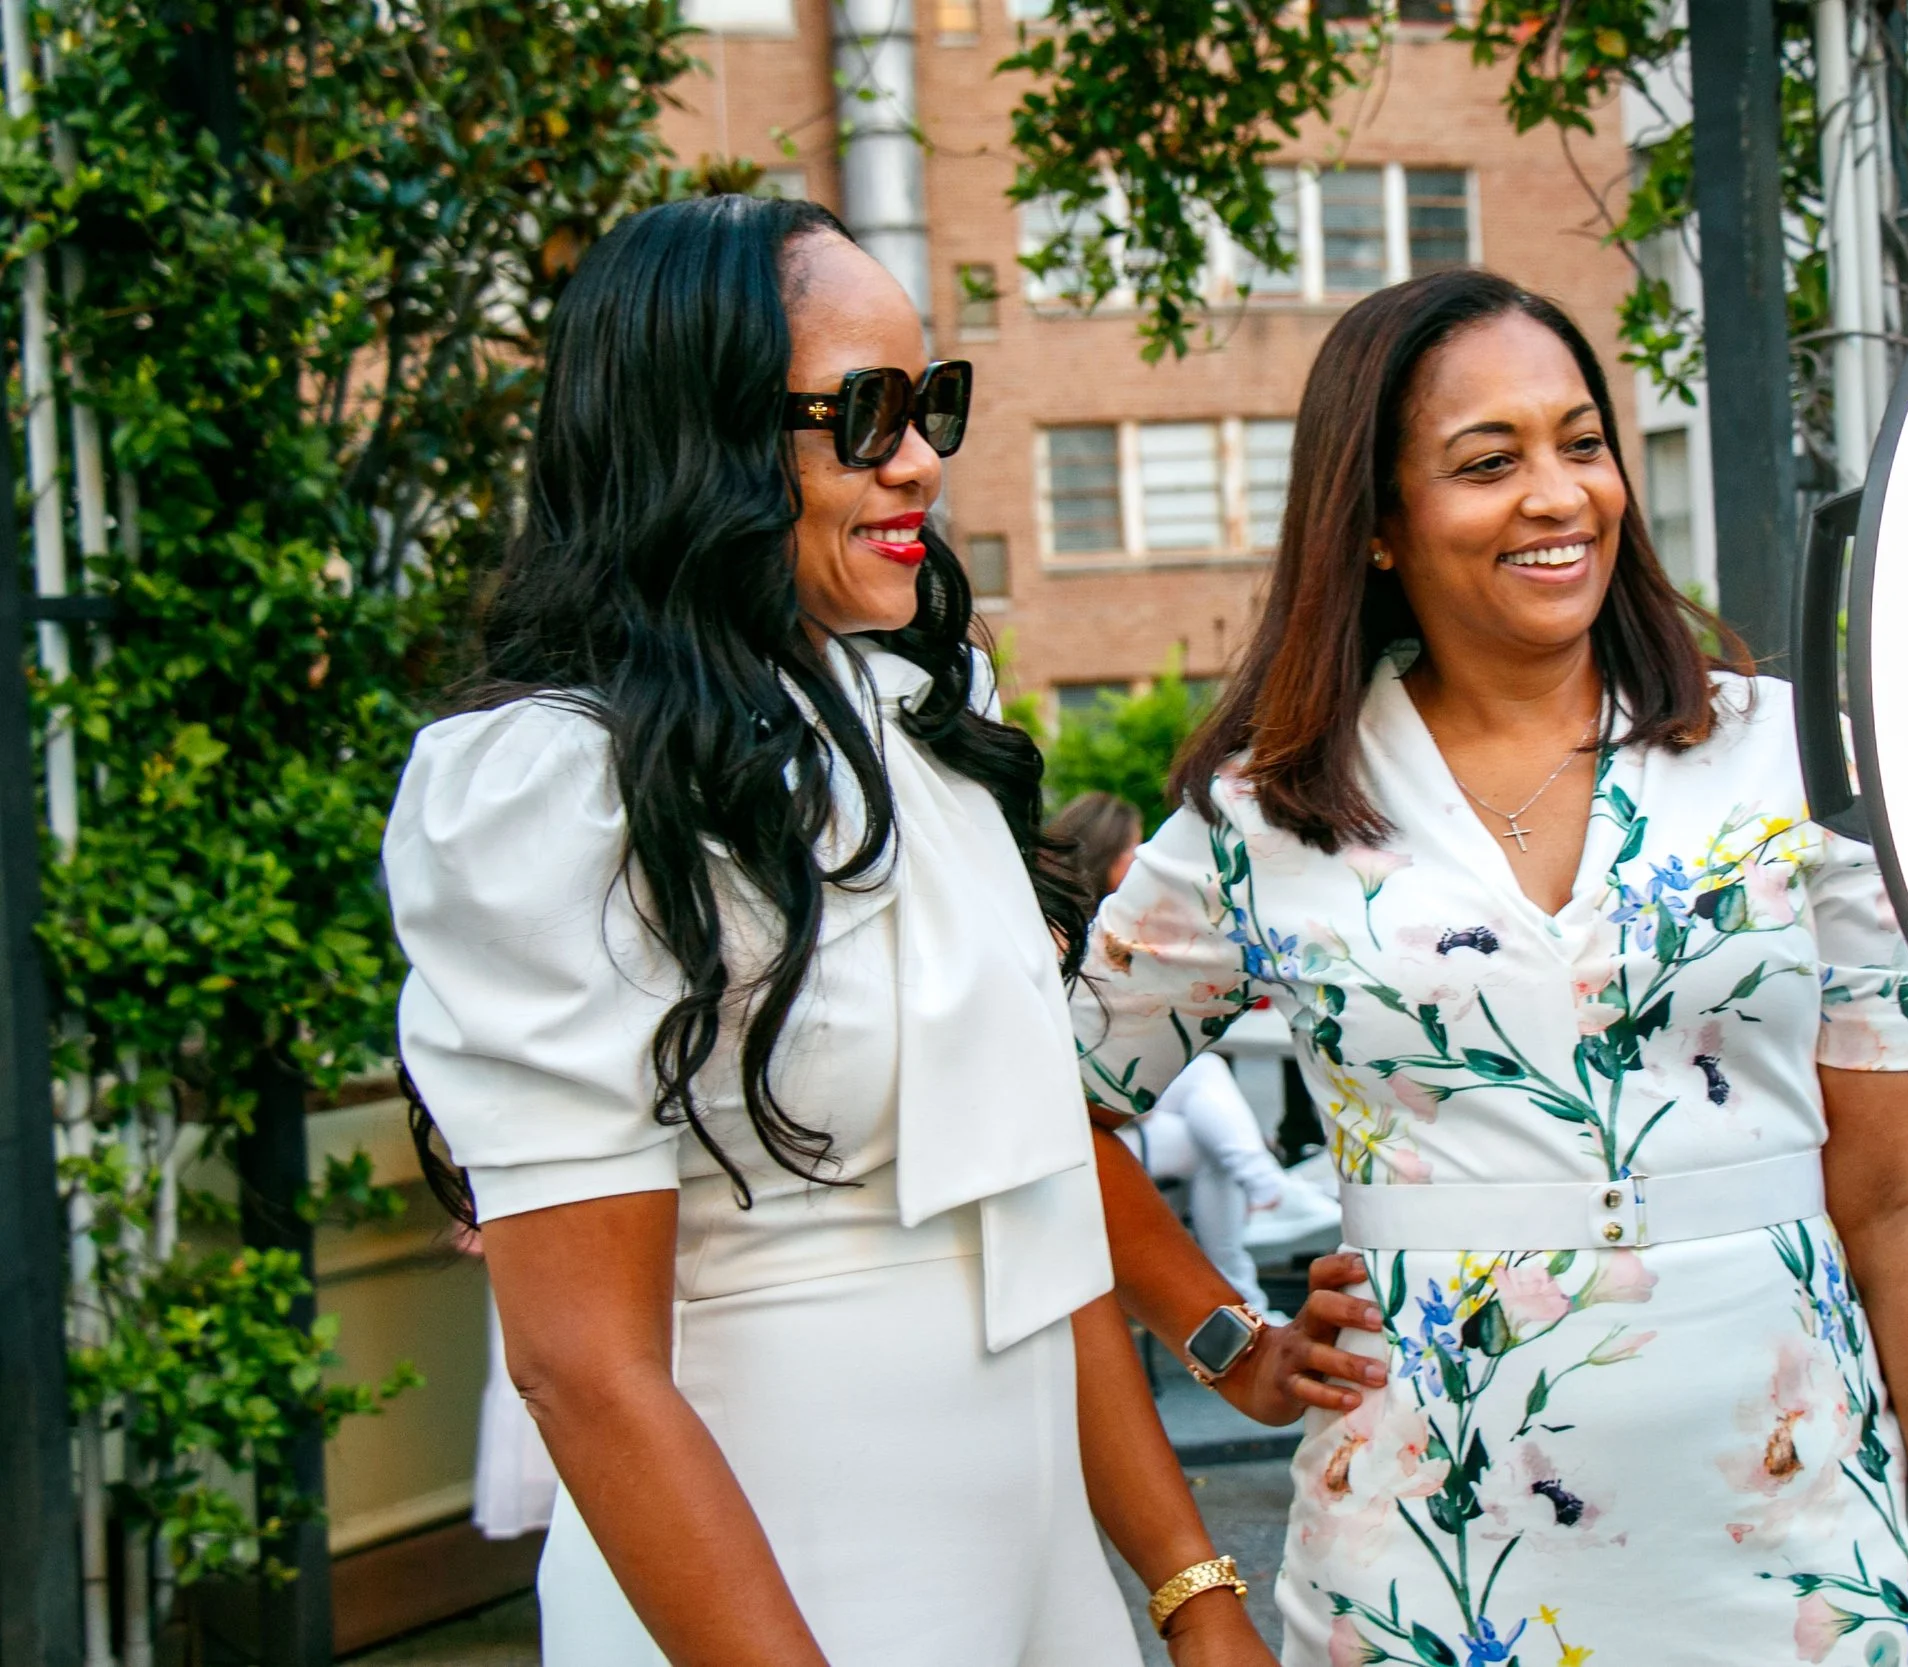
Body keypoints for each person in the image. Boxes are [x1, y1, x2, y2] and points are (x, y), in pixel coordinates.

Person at [1073, 269, 1908, 1666]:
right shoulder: (1269, 810)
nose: (1559, 493)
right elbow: (1059, 1105)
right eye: (1488, 461)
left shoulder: (1797, 758)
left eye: (1581, 443)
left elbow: (1899, 1195)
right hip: (1429, 1565)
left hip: (1802, 1548)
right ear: (1380, 525)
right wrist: (1225, 1334)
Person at [385, 196, 1273, 1667]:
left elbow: (1032, 1211)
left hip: (1033, 1557)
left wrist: (1190, 1589)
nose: (919, 453)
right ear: (705, 434)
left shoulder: (926, 719)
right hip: (765, 1572)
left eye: (932, 402)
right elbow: (582, 1365)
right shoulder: (555, 783)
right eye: (864, 410)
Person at [1053, 792, 1339, 1313]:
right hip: (1075, 1110)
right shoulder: (1077, 928)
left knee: (1209, 1144)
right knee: (1205, 1078)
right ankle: (1268, 1197)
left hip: (1129, 1121)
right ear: (1107, 854)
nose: (1140, 859)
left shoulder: (1136, 923)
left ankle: (1247, 1278)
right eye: (1132, 847)